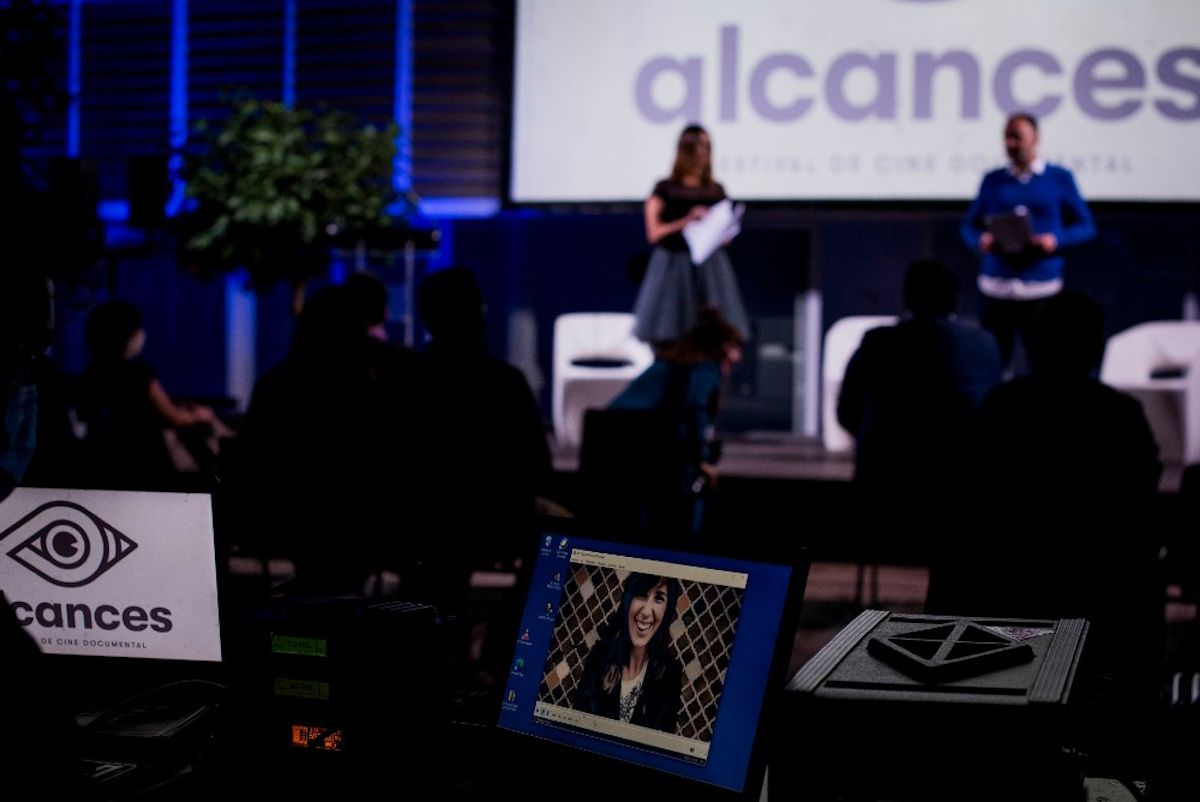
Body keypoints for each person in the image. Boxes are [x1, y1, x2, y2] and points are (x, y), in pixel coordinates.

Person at [837, 259, 1002, 538]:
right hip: (960, 498)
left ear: (907, 296)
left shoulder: (878, 341)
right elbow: (992, 419)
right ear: (955, 297)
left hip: (884, 494)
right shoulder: (984, 344)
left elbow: (846, 410)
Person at [589, 308, 742, 540]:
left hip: (610, 432)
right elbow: (695, 410)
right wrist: (701, 460)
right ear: (718, 347)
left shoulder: (675, 362)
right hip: (638, 434)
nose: (737, 357)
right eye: (733, 348)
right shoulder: (705, 368)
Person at [960, 112, 1096, 372]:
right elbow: (969, 226)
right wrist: (981, 240)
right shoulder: (994, 180)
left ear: (1035, 139)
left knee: (1044, 362)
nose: (1011, 144)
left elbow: (1086, 226)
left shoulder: (1058, 178)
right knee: (994, 363)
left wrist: (1055, 240)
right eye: (1007, 137)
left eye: (1017, 137)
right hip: (997, 285)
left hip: (1040, 286)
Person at [632, 124, 750, 348]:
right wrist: (687, 220)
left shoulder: (715, 190)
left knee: (711, 332)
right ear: (686, 150)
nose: (704, 152)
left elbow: (724, 232)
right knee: (671, 330)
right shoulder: (665, 189)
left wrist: (722, 230)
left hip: (709, 268)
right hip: (673, 265)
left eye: (707, 146)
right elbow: (654, 232)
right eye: (699, 146)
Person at [76, 300, 218, 482]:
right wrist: (200, 415)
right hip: (147, 464)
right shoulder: (138, 371)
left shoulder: (90, 374)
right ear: (126, 335)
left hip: (102, 466)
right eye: (136, 330)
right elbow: (173, 416)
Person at [573, 573, 683, 732]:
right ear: (628, 601)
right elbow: (577, 725)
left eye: (659, 599)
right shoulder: (600, 657)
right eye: (641, 595)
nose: (646, 611)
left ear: (667, 611)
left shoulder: (669, 674)